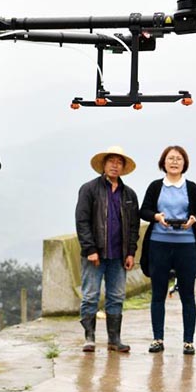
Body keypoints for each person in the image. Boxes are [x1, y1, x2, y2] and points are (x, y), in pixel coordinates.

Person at [139, 146, 196, 355]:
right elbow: (144, 210)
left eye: (178, 159)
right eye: (170, 158)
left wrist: (193, 220)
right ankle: (157, 339)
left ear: (184, 163)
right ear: (163, 162)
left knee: (187, 294)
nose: (174, 162)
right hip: (158, 244)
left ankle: (188, 341)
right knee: (158, 294)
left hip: (186, 245)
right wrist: (157, 217)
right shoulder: (155, 187)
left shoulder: (191, 187)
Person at [75, 145, 139, 353]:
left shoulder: (129, 194)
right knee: (91, 295)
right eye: (111, 161)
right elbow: (82, 221)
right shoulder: (89, 189)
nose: (115, 165)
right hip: (95, 254)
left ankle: (114, 338)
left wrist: (130, 252)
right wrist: (90, 248)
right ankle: (89, 337)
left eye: (119, 162)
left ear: (123, 167)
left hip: (118, 255)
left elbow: (133, 227)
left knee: (117, 296)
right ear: (103, 165)